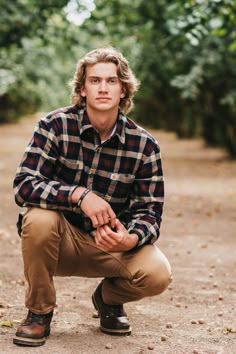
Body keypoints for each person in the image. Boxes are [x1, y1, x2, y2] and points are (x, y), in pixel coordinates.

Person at [13, 47, 172, 347]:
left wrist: (131, 239)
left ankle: (108, 300)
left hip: (110, 246)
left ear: (123, 88)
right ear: (82, 88)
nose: (102, 88)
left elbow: (150, 212)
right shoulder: (54, 126)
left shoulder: (145, 145)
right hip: (59, 242)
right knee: (38, 217)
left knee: (158, 273)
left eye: (111, 81)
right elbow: (24, 184)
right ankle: (39, 312)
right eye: (94, 80)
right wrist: (79, 195)